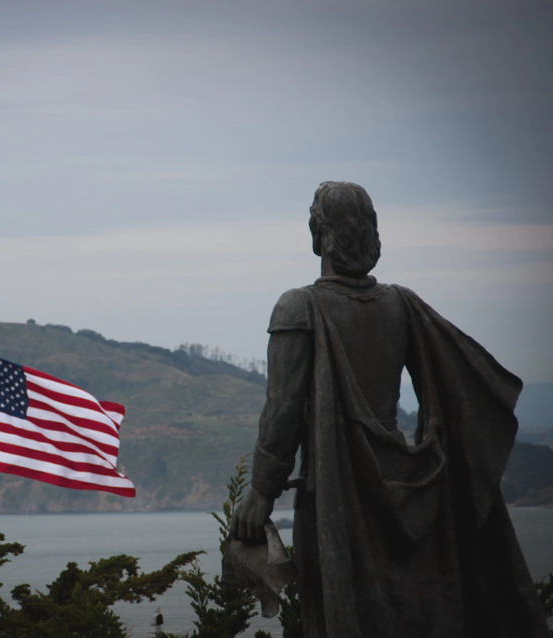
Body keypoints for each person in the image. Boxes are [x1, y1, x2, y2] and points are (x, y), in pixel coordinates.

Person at [230, 182, 547, 637]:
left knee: (335, 618)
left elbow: (281, 412)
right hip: (408, 493)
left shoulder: (298, 308)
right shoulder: (402, 305)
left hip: (336, 496)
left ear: (318, 233)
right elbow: (455, 390)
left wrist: (261, 493)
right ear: (370, 232)